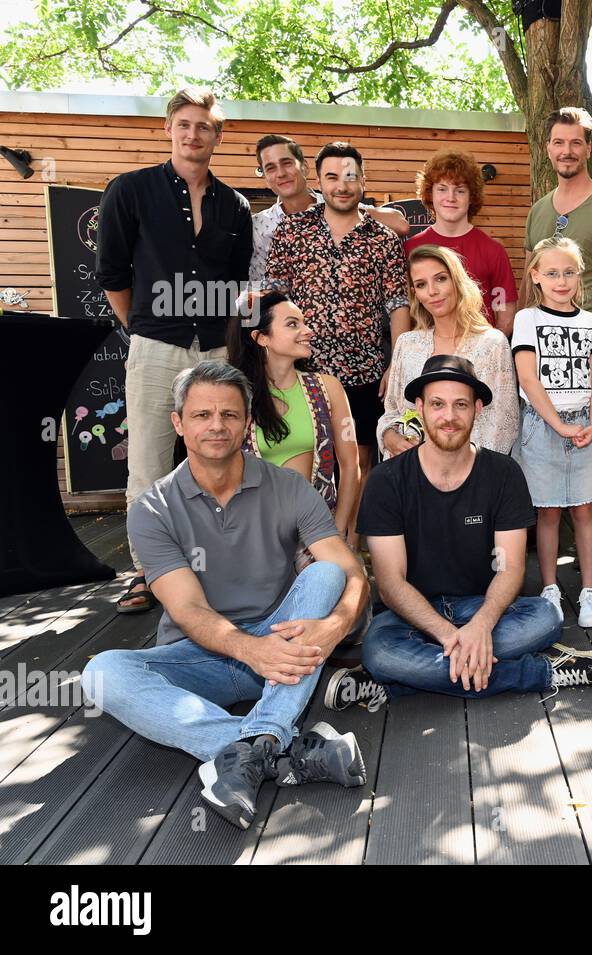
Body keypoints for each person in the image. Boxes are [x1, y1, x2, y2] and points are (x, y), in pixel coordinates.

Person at [82, 361, 372, 830]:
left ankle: (252, 746)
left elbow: (349, 571)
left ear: (247, 422)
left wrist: (335, 625)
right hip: (205, 656)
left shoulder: (288, 487)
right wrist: (249, 650)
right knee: (101, 674)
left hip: (284, 647)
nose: (216, 425)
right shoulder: (152, 508)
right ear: (178, 423)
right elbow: (189, 609)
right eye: (201, 415)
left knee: (324, 578)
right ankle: (277, 747)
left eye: (229, 414)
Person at [335, 355, 592, 707]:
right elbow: (392, 585)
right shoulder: (386, 480)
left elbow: (511, 568)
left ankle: (398, 682)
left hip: (484, 607)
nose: (449, 417)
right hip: (412, 614)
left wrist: (481, 626)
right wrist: (452, 635)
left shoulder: (503, 474)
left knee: (546, 618)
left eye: (461, 405)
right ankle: (541, 672)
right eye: (438, 404)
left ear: (478, 409)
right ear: (420, 408)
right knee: (380, 651)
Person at [95, 87, 253, 615]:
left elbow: (235, 286)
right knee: (148, 462)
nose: (193, 134)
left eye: (204, 126)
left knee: (220, 457)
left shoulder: (235, 205)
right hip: (155, 345)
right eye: (184, 124)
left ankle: (218, 562)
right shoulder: (130, 191)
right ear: (168, 128)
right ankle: (148, 572)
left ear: (217, 136)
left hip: (216, 351)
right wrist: (144, 328)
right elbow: (113, 274)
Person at [265, 141, 411, 503]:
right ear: (318, 181)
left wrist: (397, 362)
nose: (341, 186)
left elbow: (397, 304)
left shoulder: (383, 240)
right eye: (331, 177)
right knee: (303, 453)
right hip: (304, 368)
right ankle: (306, 542)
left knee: (359, 458)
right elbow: (275, 298)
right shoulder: (292, 232)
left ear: (363, 181)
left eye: (350, 177)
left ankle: (351, 542)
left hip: (364, 370)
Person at [523, 107, 592, 557]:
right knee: (538, 434)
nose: (566, 150)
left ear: (588, 148)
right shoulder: (538, 210)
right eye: (558, 142)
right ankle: (540, 520)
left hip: (588, 350)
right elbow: (528, 278)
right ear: (547, 148)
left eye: (575, 142)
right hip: (541, 352)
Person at [512, 236, 592, 628]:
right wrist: (559, 424)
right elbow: (528, 379)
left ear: (579, 274)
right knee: (548, 512)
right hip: (542, 424)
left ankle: (588, 592)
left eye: (568, 272)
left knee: (583, 509)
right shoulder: (527, 319)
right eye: (551, 273)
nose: (561, 280)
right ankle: (550, 588)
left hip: (583, 422)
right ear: (536, 276)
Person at [226, 290, 361, 547]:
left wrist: (338, 531)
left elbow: (351, 465)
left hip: (319, 532)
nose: (308, 330)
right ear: (262, 338)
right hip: (255, 536)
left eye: (303, 322)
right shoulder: (237, 396)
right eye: (292, 324)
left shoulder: (328, 388)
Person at [377, 245, 519, 457]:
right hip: (411, 471)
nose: (432, 291)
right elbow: (392, 413)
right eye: (421, 284)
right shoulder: (407, 344)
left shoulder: (492, 344)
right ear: (416, 294)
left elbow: (503, 424)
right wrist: (389, 436)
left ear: (457, 281)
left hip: (472, 474)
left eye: (441, 279)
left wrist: (458, 468)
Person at [250, 134, 407, 286]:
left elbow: (400, 225)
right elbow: (258, 285)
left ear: (304, 167)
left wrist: (332, 211)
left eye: (287, 163)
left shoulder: (337, 201)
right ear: (264, 175)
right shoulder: (259, 225)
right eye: (270, 168)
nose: (281, 173)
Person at [403, 149, 518, 335]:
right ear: (429, 193)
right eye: (442, 189)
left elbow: (505, 315)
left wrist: (486, 349)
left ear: (471, 196)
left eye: (460, 190)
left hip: (478, 352)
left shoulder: (493, 250)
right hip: (428, 355)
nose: (450, 198)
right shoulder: (411, 249)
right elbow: (405, 311)